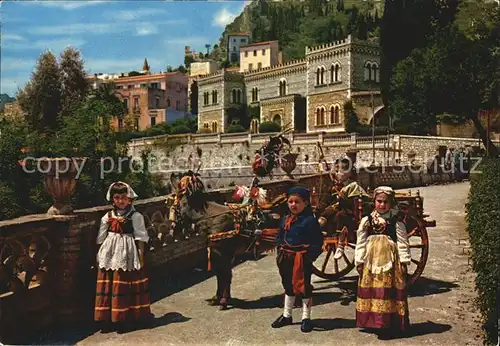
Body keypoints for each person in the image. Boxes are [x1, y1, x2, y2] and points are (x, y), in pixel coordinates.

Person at [94, 181, 153, 332]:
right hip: (110, 253)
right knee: (108, 284)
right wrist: (100, 254)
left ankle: (124, 319)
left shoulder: (136, 216)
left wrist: (140, 256)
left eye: (124, 198)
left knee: (123, 284)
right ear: (112, 199)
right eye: (117, 197)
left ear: (130, 199)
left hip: (127, 253)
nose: (120, 201)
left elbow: (141, 237)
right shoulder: (107, 216)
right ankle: (107, 319)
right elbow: (101, 237)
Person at [354, 186, 411, 336]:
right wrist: (359, 261)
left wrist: (404, 261)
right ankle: (373, 321)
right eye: (379, 201)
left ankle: (389, 323)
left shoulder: (396, 221)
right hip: (371, 261)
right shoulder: (367, 220)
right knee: (373, 289)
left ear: (391, 203)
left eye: (386, 202)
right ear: (374, 202)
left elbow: (403, 242)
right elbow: (360, 241)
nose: (382, 205)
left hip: (390, 262)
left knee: (387, 290)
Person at [272, 186, 323, 333]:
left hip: (301, 260)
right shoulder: (284, 220)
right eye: (290, 202)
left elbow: (317, 243)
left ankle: (306, 318)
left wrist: (307, 258)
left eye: (297, 202)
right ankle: (287, 315)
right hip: (285, 258)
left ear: (305, 203)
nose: (293, 205)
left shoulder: (310, 221)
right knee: (288, 285)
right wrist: (280, 251)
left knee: (303, 286)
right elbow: (279, 237)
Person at [318, 157, 371, 259]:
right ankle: (322, 229)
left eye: (341, 171)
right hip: (337, 208)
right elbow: (328, 198)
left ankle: (341, 244)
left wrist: (341, 198)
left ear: (349, 173)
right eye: (336, 171)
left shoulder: (353, 185)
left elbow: (355, 201)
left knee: (339, 215)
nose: (338, 173)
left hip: (350, 211)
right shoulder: (335, 185)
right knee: (324, 211)